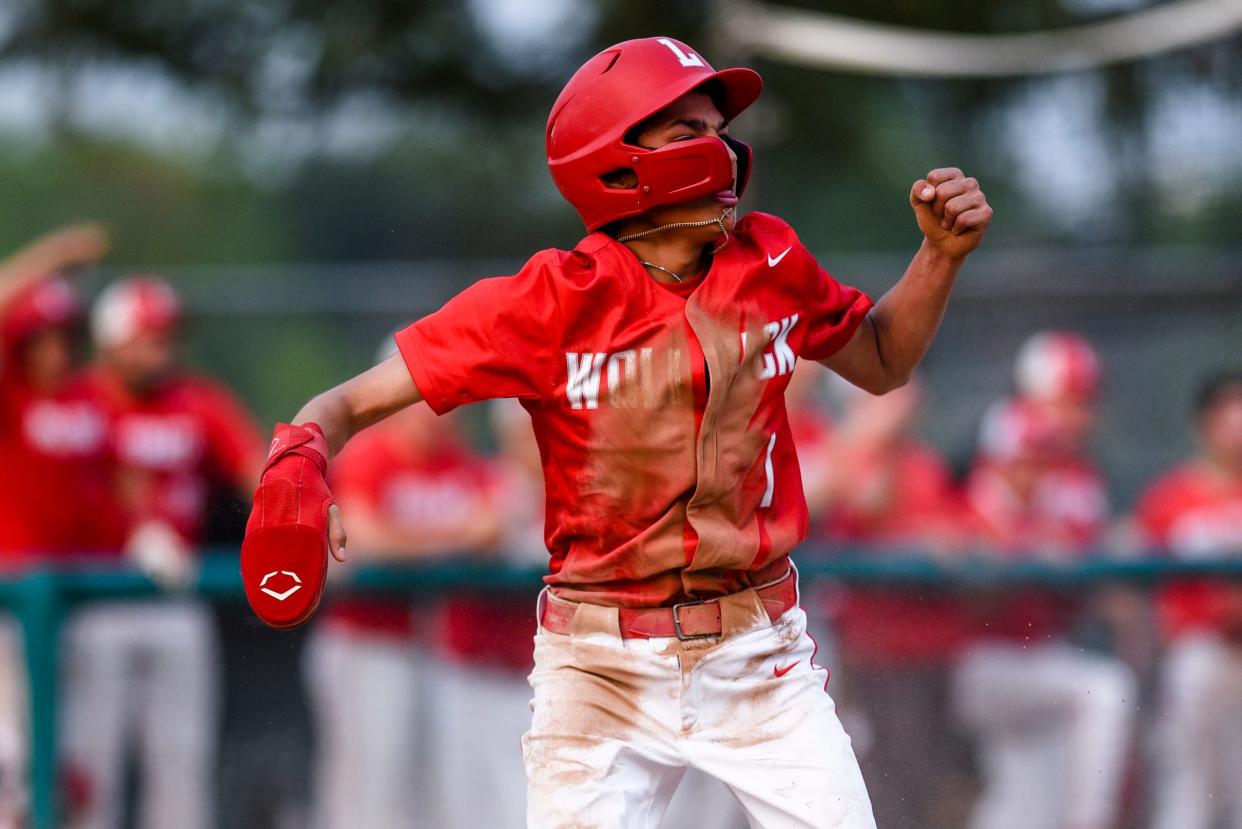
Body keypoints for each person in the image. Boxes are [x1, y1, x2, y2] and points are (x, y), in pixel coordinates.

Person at [241, 36, 992, 828]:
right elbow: (345, 403)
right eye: (686, 134)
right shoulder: (551, 301)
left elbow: (881, 360)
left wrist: (938, 259)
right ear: (617, 161)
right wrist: (299, 465)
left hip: (758, 650)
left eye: (717, 128)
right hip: (597, 662)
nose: (721, 149)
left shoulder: (770, 258)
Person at [60, 276, 263, 829]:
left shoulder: (196, 401)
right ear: (111, 342)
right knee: (90, 771)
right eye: (150, 337)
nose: (164, 349)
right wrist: (131, 523)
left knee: (180, 771)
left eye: (168, 336)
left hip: (177, 596)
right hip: (95, 601)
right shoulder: (82, 400)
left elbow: (255, 468)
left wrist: (293, 514)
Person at [952, 332, 1135, 829]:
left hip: (1043, 657)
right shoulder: (983, 490)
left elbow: (1085, 567)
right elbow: (975, 577)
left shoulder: (1074, 482)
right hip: (987, 661)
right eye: (1023, 455)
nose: (1032, 466)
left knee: (1025, 804)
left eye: (1040, 456)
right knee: (1104, 690)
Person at [304, 380, 503, 829]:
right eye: (423, 400)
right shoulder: (368, 455)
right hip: (365, 643)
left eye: (444, 401)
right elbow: (364, 537)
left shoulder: (457, 458)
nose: (436, 412)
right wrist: (453, 537)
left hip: (435, 648)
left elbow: (492, 527)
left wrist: (415, 541)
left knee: (433, 796)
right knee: (365, 795)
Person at [807, 377, 975, 827]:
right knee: (866, 772)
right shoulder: (850, 454)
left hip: (928, 649)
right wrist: (873, 429)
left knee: (915, 777)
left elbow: (960, 536)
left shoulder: (924, 462)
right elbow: (868, 503)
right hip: (862, 652)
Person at [0, 224, 116, 829]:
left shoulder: (91, 398)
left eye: (64, 337)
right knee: (15, 766)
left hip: (84, 601)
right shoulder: (10, 396)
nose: (53, 350)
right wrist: (54, 256)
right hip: (13, 605)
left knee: (79, 771)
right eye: (39, 338)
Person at [1137, 372, 1242, 829]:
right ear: (1205, 424)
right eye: (1229, 417)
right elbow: (1135, 586)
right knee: (1190, 791)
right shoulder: (1170, 497)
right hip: (1198, 657)